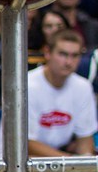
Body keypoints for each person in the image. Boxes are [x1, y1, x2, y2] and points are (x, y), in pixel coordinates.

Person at [26, 29, 97, 157]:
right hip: (24, 160)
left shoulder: (83, 87)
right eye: (63, 54)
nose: (68, 62)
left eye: (74, 55)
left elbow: (85, 139)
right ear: (47, 52)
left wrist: (84, 161)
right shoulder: (26, 86)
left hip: (62, 157)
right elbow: (25, 144)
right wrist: (70, 162)